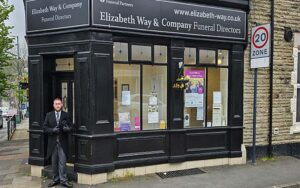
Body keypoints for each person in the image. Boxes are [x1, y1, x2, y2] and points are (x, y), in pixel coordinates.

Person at [43, 98, 73, 187]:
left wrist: (67, 129)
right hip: (52, 143)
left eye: (59, 104)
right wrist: (52, 130)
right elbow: (44, 128)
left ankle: (64, 180)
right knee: (54, 162)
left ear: (61, 105)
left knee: (62, 162)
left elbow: (71, 127)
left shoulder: (66, 115)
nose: (57, 105)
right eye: (56, 104)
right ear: (53, 105)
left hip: (62, 143)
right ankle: (55, 179)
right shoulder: (49, 115)